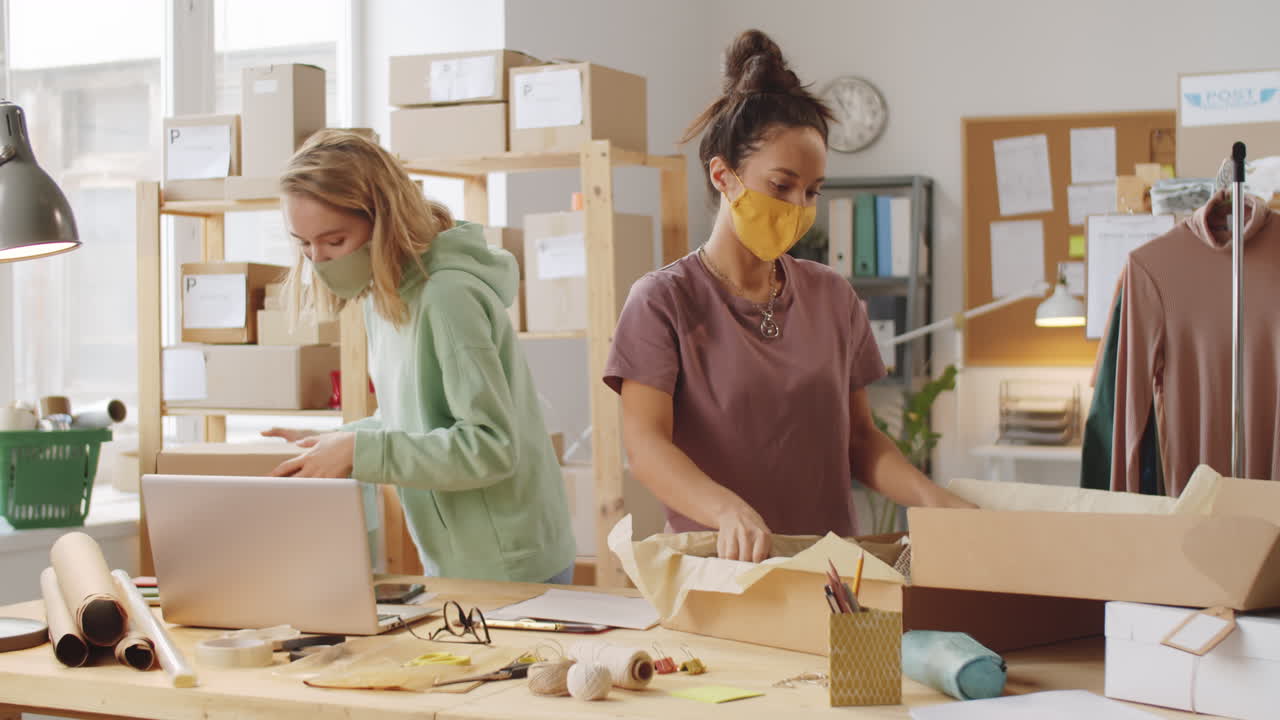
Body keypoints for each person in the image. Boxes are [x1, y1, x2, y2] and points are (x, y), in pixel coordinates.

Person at [604, 29, 974, 564]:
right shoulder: (663, 301)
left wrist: (932, 499)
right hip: (722, 571)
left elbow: (861, 442)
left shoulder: (833, 296)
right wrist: (727, 510)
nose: (799, 206)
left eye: (812, 190)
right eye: (781, 186)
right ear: (724, 176)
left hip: (835, 573)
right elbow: (646, 448)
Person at [263, 129, 575, 584]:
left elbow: (491, 447)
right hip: (455, 559)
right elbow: (416, 423)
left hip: (511, 563)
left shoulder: (448, 297)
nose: (319, 260)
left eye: (334, 241)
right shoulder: (383, 296)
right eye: (304, 244)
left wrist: (358, 450)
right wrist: (333, 443)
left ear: (382, 219)